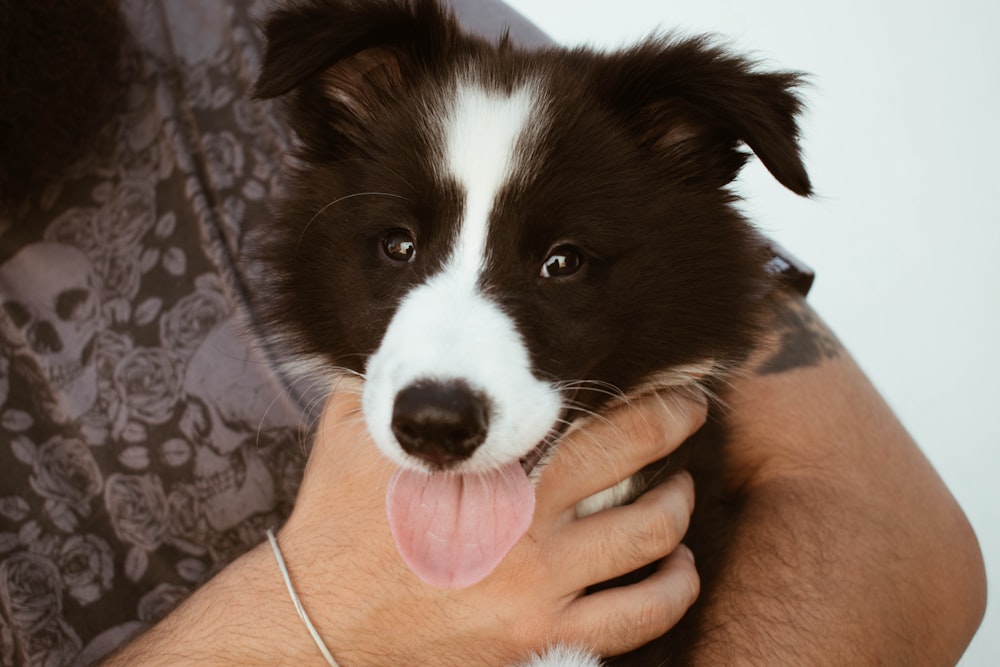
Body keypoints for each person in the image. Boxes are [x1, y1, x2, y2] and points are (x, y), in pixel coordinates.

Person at [0, 1, 985, 666]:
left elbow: (893, 540)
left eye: (560, 265)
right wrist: (312, 619)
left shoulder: (291, 25)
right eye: (395, 241)